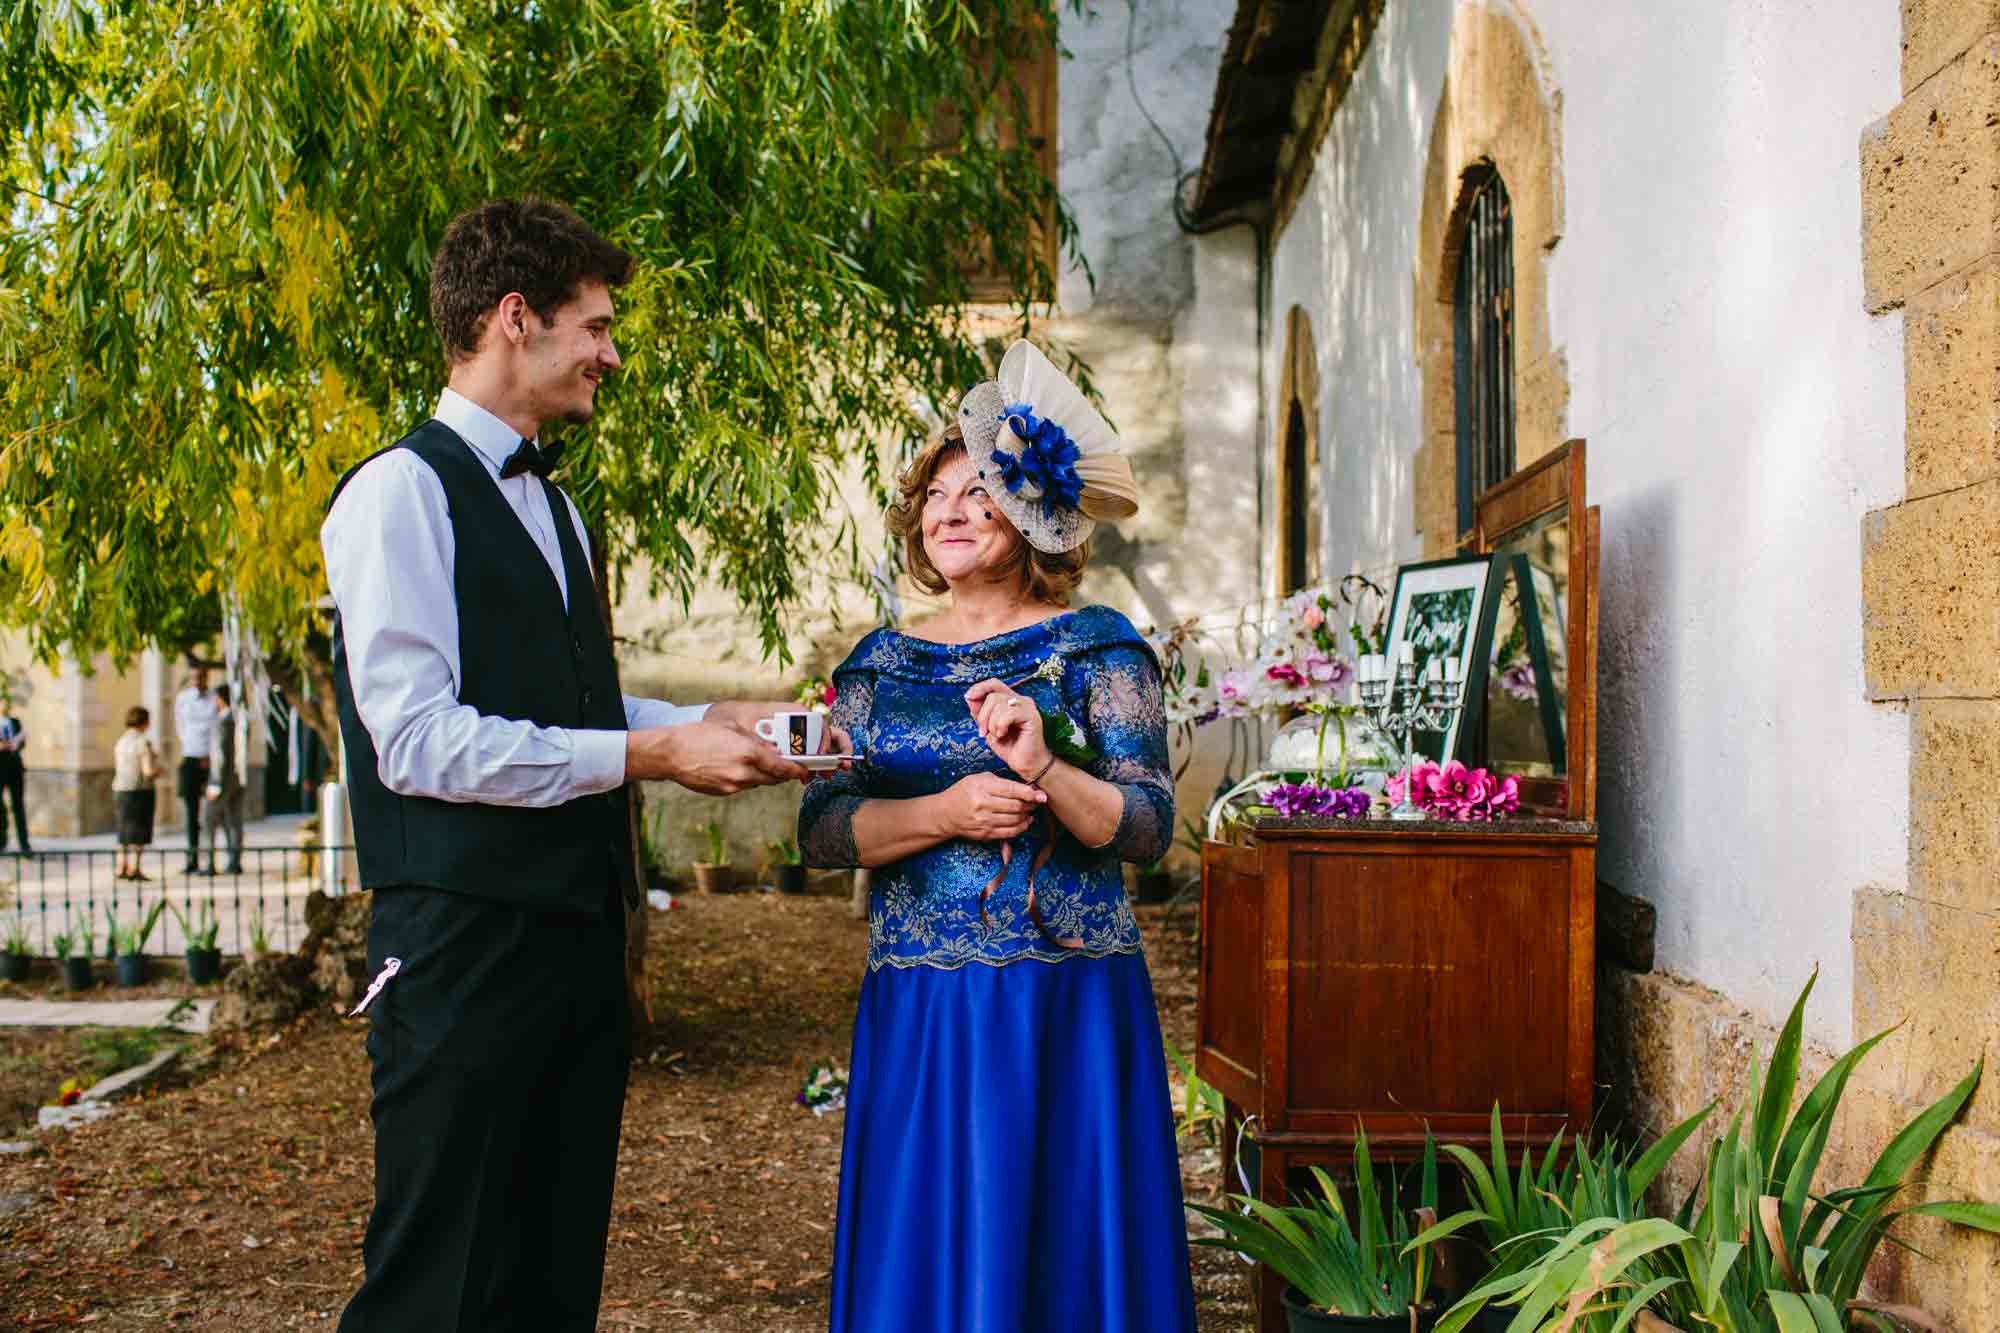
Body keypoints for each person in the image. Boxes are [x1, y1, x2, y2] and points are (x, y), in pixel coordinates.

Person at [322, 197, 846, 1333]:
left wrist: (713, 712)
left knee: (548, 1275)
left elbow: (569, 708)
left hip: (573, 943)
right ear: (516, 318)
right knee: (437, 1282)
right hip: (459, 953)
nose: (610, 351)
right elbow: (416, 741)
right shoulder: (395, 495)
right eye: (595, 325)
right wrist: (651, 750)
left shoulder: (556, 506)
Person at [800, 341, 1196, 1332]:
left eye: (978, 491)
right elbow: (820, 831)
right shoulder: (876, 661)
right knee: (928, 1247)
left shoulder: (1095, 644)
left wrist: (1046, 772)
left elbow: (1146, 827)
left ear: (1032, 515)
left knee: (1062, 1247)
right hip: (921, 1003)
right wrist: (944, 814)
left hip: (1061, 1001)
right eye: (934, 495)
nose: (949, 510)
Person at [173, 665, 214, 872]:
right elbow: (180, 727)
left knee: (211, 813)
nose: (197, 681)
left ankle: (210, 860)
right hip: (190, 757)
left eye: (201, 676)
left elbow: (216, 730)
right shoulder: (183, 700)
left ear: (206, 677)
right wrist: (192, 750)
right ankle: (192, 859)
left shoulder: (215, 698)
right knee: (191, 813)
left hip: (210, 760)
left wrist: (209, 754)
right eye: (193, 677)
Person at [112, 707, 160, 881]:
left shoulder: (121, 741)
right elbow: (147, 771)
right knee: (138, 830)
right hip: (139, 791)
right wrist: (159, 771)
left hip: (119, 789)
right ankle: (134, 867)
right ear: (145, 722)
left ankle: (120, 866)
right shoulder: (142, 742)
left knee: (123, 830)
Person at [201, 684, 244, 875]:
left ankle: (208, 863)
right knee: (233, 821)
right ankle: (234, 861)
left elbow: (220, 755)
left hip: (222, 780)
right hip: (239, 777)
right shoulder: (240, 720)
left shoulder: (222, 721)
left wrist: (215, 784)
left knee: (209, 820)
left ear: (220, 698)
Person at [0, 706, 30, 853]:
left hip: (15, 769)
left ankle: (24, 844)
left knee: (18, 806)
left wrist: (17, 744)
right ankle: (2, 840)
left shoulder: (15, 722)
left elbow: (22, 743)